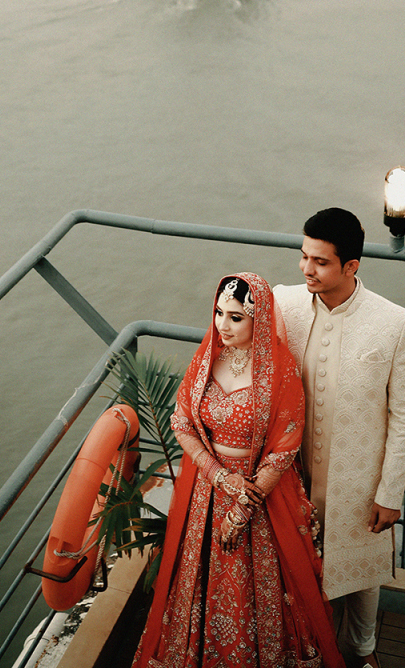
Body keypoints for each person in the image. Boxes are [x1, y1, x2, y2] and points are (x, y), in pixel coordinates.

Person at [133, 272, 345, 668]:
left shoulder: (279, 370)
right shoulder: (207, 360)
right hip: (206, 493)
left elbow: (285, 447)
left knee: (258, 587)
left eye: (235, 317)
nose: (222, 325)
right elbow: (181, 422)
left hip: (260, 498)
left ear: (258, 320)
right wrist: (217, 474)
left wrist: (242, 509)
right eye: (218, 313)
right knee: (198, 581)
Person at [273, 208, 405, 668]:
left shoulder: (395, 322)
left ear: (351, 265)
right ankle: (303, 648)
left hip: (358, 478)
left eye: (320, 262)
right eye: (304, 256)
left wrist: (389, 492)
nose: (306, 269)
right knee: (292, 566)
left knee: (362, 574)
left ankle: (363, 650)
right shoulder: (282, 303)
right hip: (292, 475)